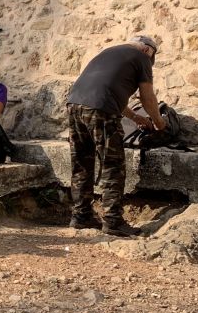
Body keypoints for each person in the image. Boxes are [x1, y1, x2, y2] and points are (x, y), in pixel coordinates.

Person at [66, 35, 167, 237]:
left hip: (74, 105)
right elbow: (147, 96)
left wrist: (135, 117)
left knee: (82, 162)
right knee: (112, 164)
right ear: (148, 50)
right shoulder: (142, 57)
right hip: (101, 109)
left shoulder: (109, 52)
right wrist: (159, 121)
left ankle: (81, 216)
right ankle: (113, 220)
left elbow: (108, 90)